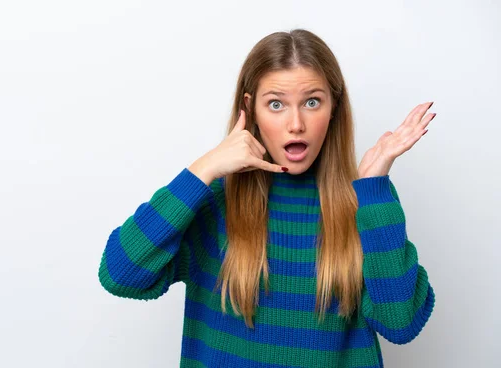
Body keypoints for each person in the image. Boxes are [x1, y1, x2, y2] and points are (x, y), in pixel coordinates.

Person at [98, 28, 436, 368]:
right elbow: (120, 273)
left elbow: (401, 322)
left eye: (312, 102)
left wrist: (374, 189)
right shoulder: (215, 202)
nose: (296, 124)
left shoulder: (366, 206)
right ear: (251, 109)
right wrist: (204, 168)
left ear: (334, 107)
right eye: (276, 104)